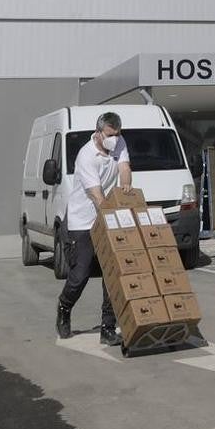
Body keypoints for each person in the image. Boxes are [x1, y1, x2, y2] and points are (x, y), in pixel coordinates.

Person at [56, 112, 133, 346]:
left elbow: (124, 168)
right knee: (80, 275)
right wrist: (113, 215)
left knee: (111, 274)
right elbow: (96, 195)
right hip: (83, 222)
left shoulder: (119, 142)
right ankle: (64, 308)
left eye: (117, 134)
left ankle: (107, 328)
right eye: (110, 135)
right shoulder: (86, 156)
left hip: (107, 217)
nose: (114, 139)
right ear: (99, 133)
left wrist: (126, 186)